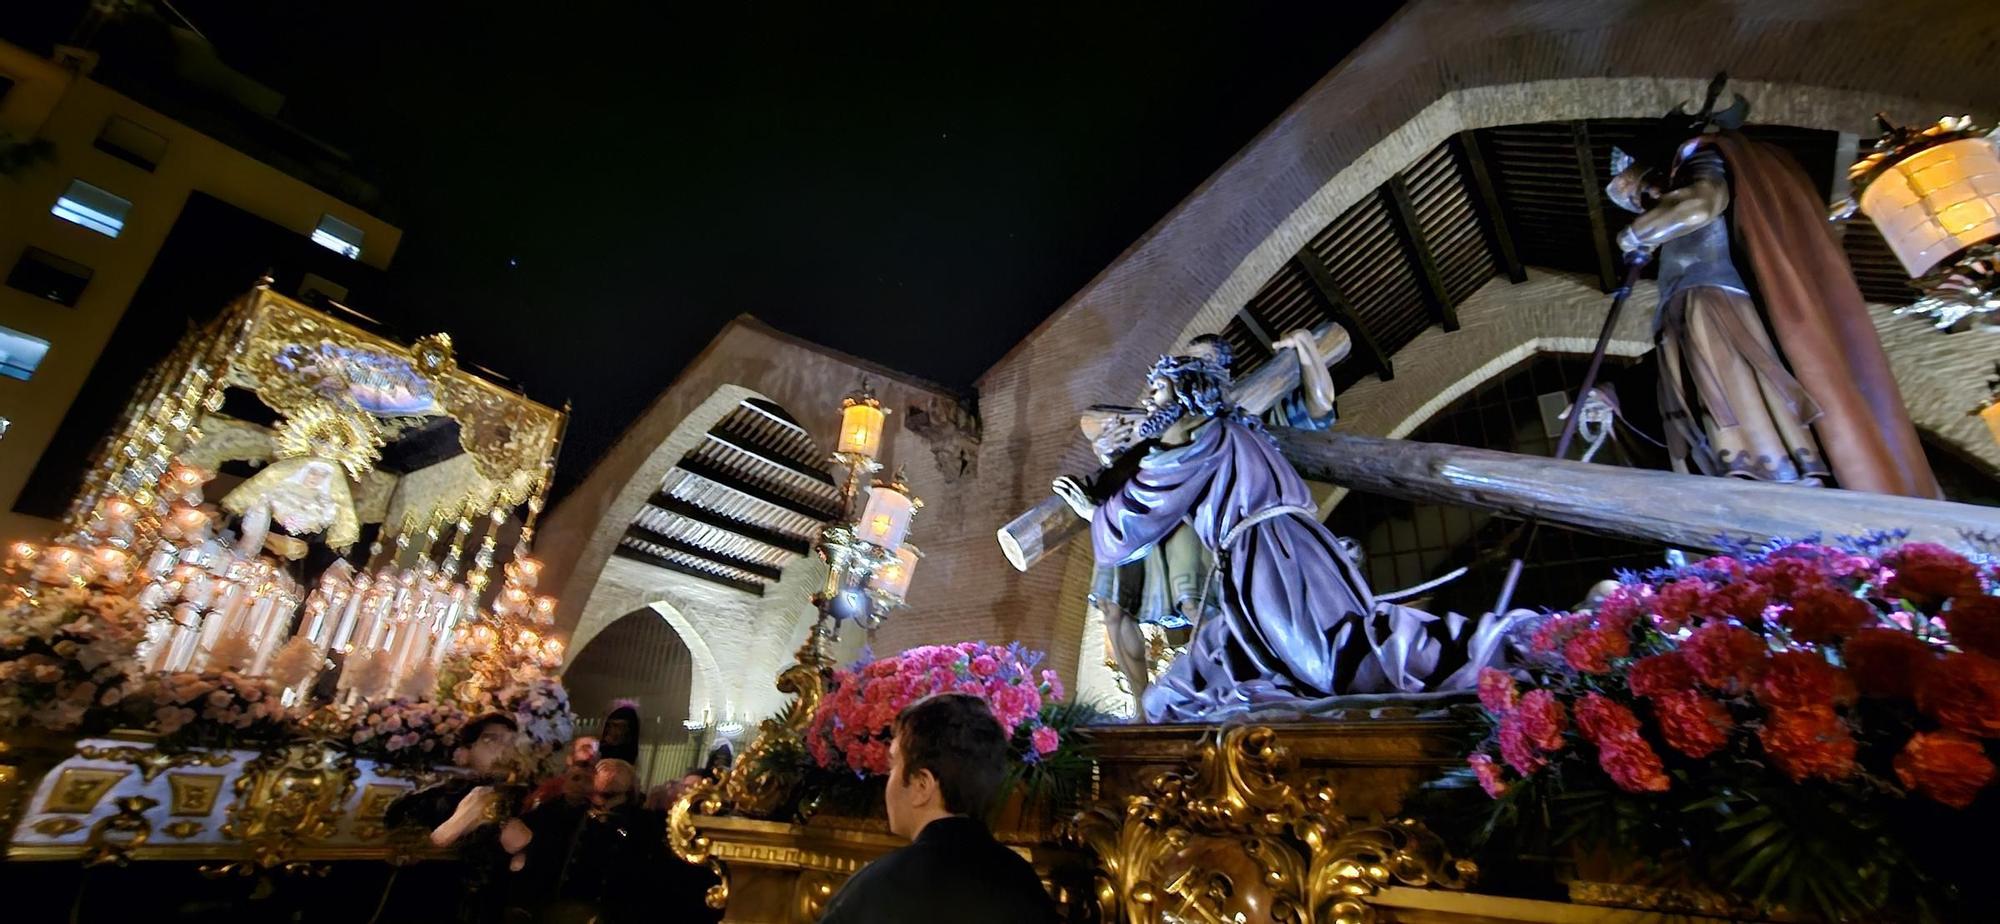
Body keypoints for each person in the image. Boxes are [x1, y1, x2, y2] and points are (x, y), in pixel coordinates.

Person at [1054, 337, 1517, 722]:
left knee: (1328, 659)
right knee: (1213, 662)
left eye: (1155, 392)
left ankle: (1489, 652)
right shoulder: (1242, 428)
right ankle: (1158, 710)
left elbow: (1144, 504)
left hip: (1268, 561)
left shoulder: (1197, 432)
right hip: (1290, 551)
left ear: (1185, 390)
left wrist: (1096, 512)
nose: (1146, 403)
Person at [1605, 76, 1937, 497]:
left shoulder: (1700, 158)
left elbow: (1699, 204)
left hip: (1713, 301)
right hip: (1683, 308)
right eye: (1639, 199)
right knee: (1701, 395)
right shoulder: (1682, 176)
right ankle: (1734, 473)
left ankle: (1765, 467)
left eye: (1641, 187)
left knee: (1732, 385)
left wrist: (1635, 236)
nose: (1648, 197)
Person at [818, 693, 1059, 923]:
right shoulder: (1026, 885)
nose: (887, 780)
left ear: (922, 785)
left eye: (893, 765)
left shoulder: (875, 888)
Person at [382, 712, 525, 923]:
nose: (503, 749)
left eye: (510, 742)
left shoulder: (523, 801)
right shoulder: (434, 798)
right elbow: (405, 844)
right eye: (491, 740)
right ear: (466, 750)